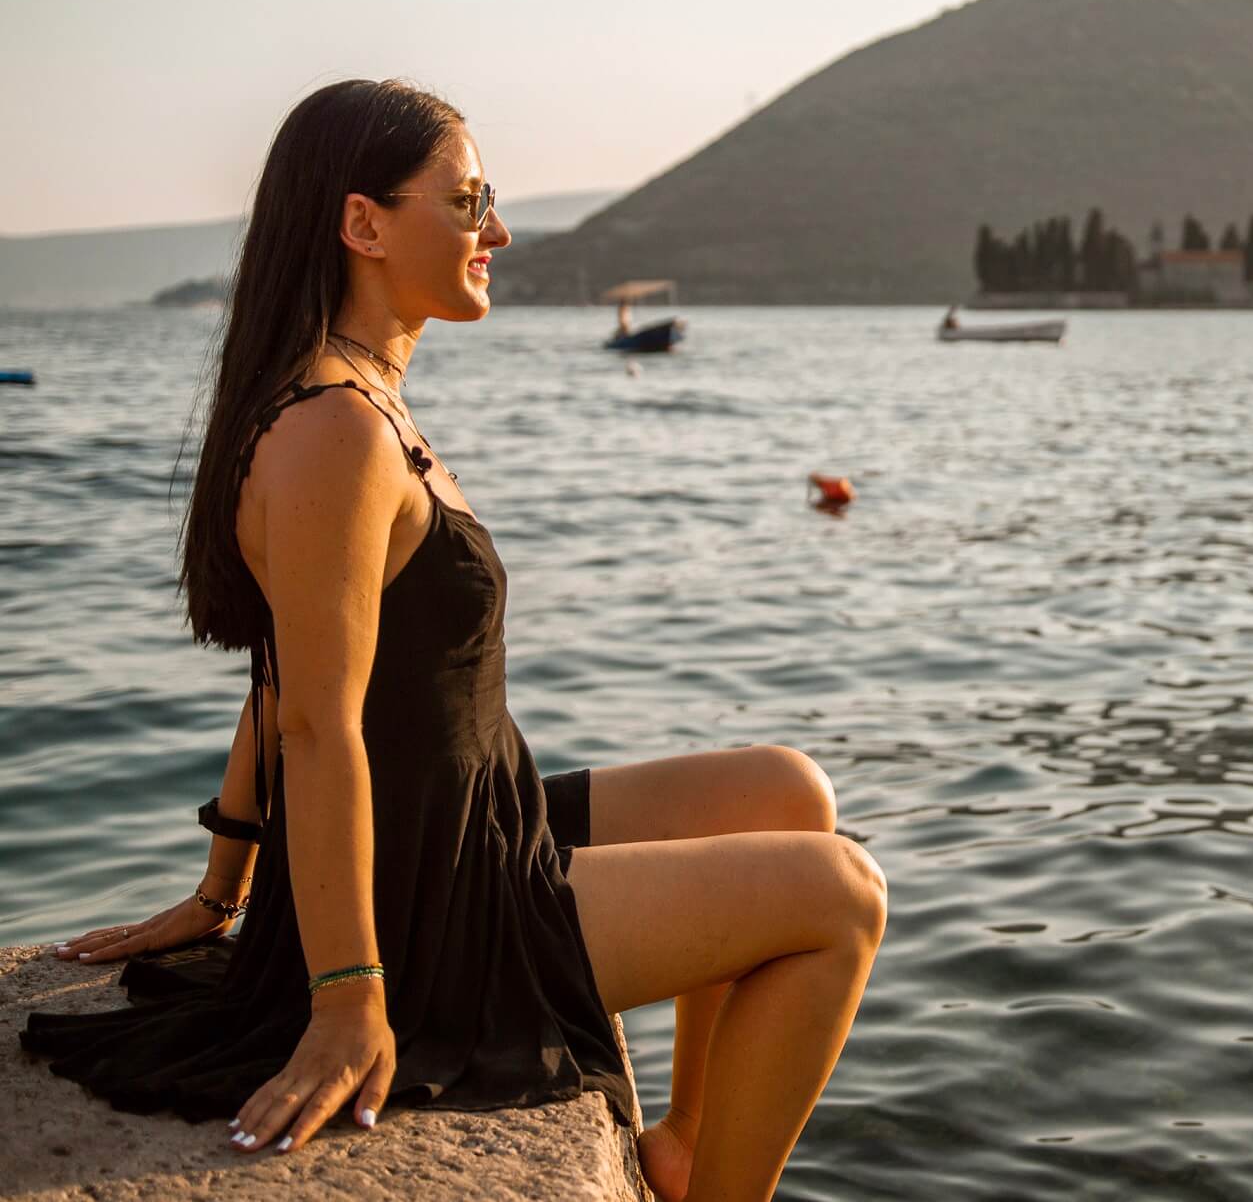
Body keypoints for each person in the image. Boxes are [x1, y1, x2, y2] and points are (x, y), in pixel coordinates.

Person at [20, 79, 886, 1202]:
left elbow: (277, 678)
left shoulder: (363, 401)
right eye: (469, 198)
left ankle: (682, 1145)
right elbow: (314, 721)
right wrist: (345, 995)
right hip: (440, 906)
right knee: (841, 894)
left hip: (484, 819)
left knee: (787, 787)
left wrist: (220, 886)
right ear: (364, 223)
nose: (499, 230)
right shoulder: (333, 429)